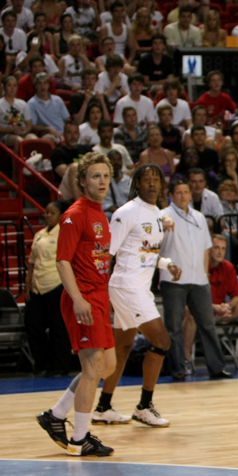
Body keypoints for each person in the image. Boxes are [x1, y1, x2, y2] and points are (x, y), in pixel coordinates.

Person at [36, 152, 117, 457]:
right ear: (82, 182)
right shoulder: (75, 214)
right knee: (92, 367)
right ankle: (79, 439)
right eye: (95, 176)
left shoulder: (100, 214)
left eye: (106, 176)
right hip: (81, 298)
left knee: (106, 367)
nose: (102, 181)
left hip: (98, 296)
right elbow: (62, 262)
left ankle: (55, 416)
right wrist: (78, 298)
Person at [92, 164, 179, 428]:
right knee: (162, 341)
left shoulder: (157, 213)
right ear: (137, 184)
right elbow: (107, 253)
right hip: (126, 286)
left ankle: (103, 407)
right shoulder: (126, 212)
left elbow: (145, 251)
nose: (152, 184)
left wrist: (166, 264)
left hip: (139, 287)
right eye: (147, 180)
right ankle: (144, 406)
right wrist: (99, 292)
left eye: (156, 180)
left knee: (122, 346)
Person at [161, 179, 232, 381]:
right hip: (173, 280)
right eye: (178, 192)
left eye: (186, 192)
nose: (183, 195)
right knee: (174, 326)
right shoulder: (163, 215)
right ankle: (178, 369)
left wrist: (206, 275)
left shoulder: (200, 217)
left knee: (207, 324)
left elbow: (205, 249)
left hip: (199, 279)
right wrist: (163, 223)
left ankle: (216, 368)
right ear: (171, 195)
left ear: (191, 195)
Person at [182, 235, 238, 372]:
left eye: (223, 248)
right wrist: (215, 307)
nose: (220, 252)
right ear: (208, 249)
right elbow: (190, 299)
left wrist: (229, 307)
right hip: (201, 312)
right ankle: (185, 360)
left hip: (221, 311)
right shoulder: (198, 266)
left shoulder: (228, 267)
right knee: (190, 311)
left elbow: (237, 295)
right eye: (216, 248)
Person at [24, 200, 72, 377]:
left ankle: (60, 365)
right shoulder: (39, 234)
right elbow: (31, 261)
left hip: (57, 284)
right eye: (46, 212)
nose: (48, 215)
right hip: (38, 286)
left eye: (52, 212)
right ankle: (41, 363)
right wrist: (28, 281)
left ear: (61, 215)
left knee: (58, 327)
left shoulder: (65, 233)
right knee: (32, 324)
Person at [50, 121, 93, 200]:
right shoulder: (57, 152)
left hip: (87, 183)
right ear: (64, 135)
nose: (73, 136)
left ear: (79, 135)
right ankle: (80, 208)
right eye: (69, 133)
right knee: (73, 168)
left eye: (75, 133)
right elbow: (65, 172)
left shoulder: (87, 149)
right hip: (67, 188)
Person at [27, 73, 69, 141]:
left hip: (63, 133)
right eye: (39, 83)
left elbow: (67, 119)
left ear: (48, 85)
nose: (42, 86)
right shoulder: (32, 103)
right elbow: (32, 126)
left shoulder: (57, 100)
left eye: (45, 83)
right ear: (36, 86)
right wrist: (48, 128)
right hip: (47, 134)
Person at [0, 74, 36, 150]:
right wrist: (12, 130)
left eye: (14, 85)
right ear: (4, 88)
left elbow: (29, 124)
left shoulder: (22, 103)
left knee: (34, 139)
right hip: (5, 134)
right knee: (18, 140)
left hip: (21, 132)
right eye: (9, 85)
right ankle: (17, 162)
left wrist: (24, 131)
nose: (12, 88)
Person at [101, 149, 132, 214]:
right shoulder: (102, 181)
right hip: (111, 213)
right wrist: (119, 212)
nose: (116, 162)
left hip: (128, 213)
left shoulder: (128, 180)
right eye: (113, 160)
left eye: (119, 160)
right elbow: (105, 204)